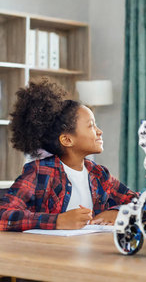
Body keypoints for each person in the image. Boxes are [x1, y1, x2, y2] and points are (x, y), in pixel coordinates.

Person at [0, 79, 138, 231]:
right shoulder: (40, 172)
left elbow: (139, 201)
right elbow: (3, 214)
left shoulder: (99, 174)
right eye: (91, 125)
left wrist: (116, 211)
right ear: (67, 139)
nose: (100, 131)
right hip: (51, 252)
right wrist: (57, 221)